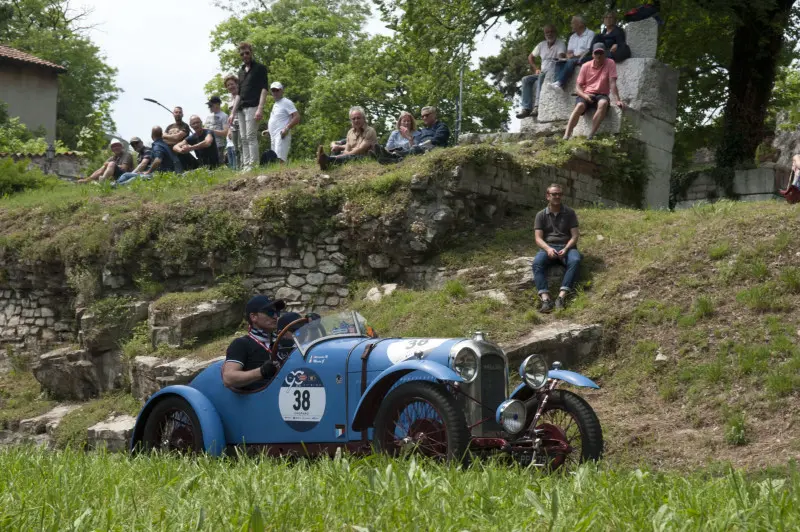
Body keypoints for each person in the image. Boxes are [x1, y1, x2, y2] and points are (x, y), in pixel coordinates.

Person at [533, 184, 581, 313]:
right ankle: (546, 299)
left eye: (560, 194)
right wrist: (548, 249)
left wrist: (565, 249)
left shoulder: (570, 213)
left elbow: (575, 236)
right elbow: (538, 238)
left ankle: (561, 297)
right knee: (537, 263)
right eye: (554, 194)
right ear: (548, 196)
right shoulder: (541, 215)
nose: (557, 196)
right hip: (548, 247)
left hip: (567, 247)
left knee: (575, 260)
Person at [222, 295, 286, 391]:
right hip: (260, 400)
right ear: (253, 317)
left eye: (277, 312)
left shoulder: (281, 341)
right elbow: (228, 378)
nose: (276, 316)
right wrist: (262, 371)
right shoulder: (241, 344)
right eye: (270, 312)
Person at [563, 43, 624, 140]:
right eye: (596, 53)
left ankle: (591, 135)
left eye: (601, 53)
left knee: (603, 103)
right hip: (586, 94)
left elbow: (612, 83)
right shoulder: (585, 66)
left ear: (605, 54)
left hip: (602, 94)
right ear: (592, 54)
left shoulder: (610, 63)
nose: (599, 56)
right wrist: (585, 96)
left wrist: (617, 100)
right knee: (579, 106)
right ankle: (566, 135)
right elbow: (578, 87)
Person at [229, 42, 269, 171]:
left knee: (251, 136)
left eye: (247, 53)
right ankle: (246, 165)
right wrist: (232, 113)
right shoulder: (240, 72)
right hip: (241, 108)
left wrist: (260, 108)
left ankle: (254, 164)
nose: (245, 55)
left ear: (251, 52)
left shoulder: (260, 68)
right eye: (242, 54)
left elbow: (264, 89)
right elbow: (239, 94)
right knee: (243, 137)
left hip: (253, 106)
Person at [517, 25, 566, 119]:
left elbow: (561, 56)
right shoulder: (541, 45)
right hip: (543, 71)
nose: (549, 34)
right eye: (547, 32)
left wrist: (559, 58)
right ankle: (526, 109)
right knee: (525, 79)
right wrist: (536, 68)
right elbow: (530, 57)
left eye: (551, 32)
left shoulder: (560, 44)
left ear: (555, 33)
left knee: (540, 77)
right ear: (544, 35)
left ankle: (537, 107)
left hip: (553, 73)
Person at [115, 126, 181, 185]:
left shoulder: (156, 146)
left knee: (133, 179)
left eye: (136, 143)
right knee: (127, 175)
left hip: (162, 174)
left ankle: (116, 186)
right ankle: (116, 184)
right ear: (161, 135)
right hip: (164, 172)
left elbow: (158, 160)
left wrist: (148, 172)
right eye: (133, 145)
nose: (135, 145)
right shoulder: (164, 144)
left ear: (152, 136)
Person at [550, 15, 595, 91]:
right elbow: (568, 52)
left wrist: (574, 55)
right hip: (573, 58)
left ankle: (560, 82)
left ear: (580, 24)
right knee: (559, 61)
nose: (571, 25)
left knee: (571, 61)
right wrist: (569, 56)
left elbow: (588, 51)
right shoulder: (572, 37)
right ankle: (557, 82)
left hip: (584, 58)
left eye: (573, 23)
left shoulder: (590, 34)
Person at [262, 81, 300, 163]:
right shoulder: (275, 104)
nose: (275, 92)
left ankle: (282, 174)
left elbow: (297, 117)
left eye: (277, 90)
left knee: (280, 159)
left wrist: (286, 128)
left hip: (282, 134)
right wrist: (269, 130)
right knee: (274, 159)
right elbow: (278, 119)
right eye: (273, 90)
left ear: (282, 91)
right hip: (273, 136)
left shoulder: (286, 102)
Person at [163, 106, 198, 171]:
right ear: (173, 114)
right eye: (176, 112)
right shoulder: (169, 126)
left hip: (182, 153)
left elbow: (177, 137)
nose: (178, 114)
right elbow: (163, 138)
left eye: (180, 112)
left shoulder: (185, 126)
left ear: (182, 115)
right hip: (170, 154)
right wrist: (174, 139)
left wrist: (170, 138)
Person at [204, 96, 229, 164]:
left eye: (210, 105)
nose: (209, 107)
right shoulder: (208, 117)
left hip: (219, 145)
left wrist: (210, 131)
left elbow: (225, 132)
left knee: (219, 164)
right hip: (208, 145)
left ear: (217, 104)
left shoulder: (224, 116)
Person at [223, 74, 241, 170]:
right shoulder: (229, 100)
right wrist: (229, 129)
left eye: (232, 84)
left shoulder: (241, 95)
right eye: (228, 85)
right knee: (235, 148)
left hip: (242, 123)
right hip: (233, 126)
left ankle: (245, 165)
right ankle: (238, 168)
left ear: (237, 84)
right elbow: (230, 114)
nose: (230, 86)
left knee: (242, 145)